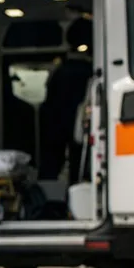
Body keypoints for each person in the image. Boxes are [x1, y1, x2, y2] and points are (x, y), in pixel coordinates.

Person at [37, 17, 94, 183]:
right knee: (78, 168)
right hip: (77, 130)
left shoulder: (60, 72)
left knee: (52, 166)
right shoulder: (89, 72)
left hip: (56, 129)